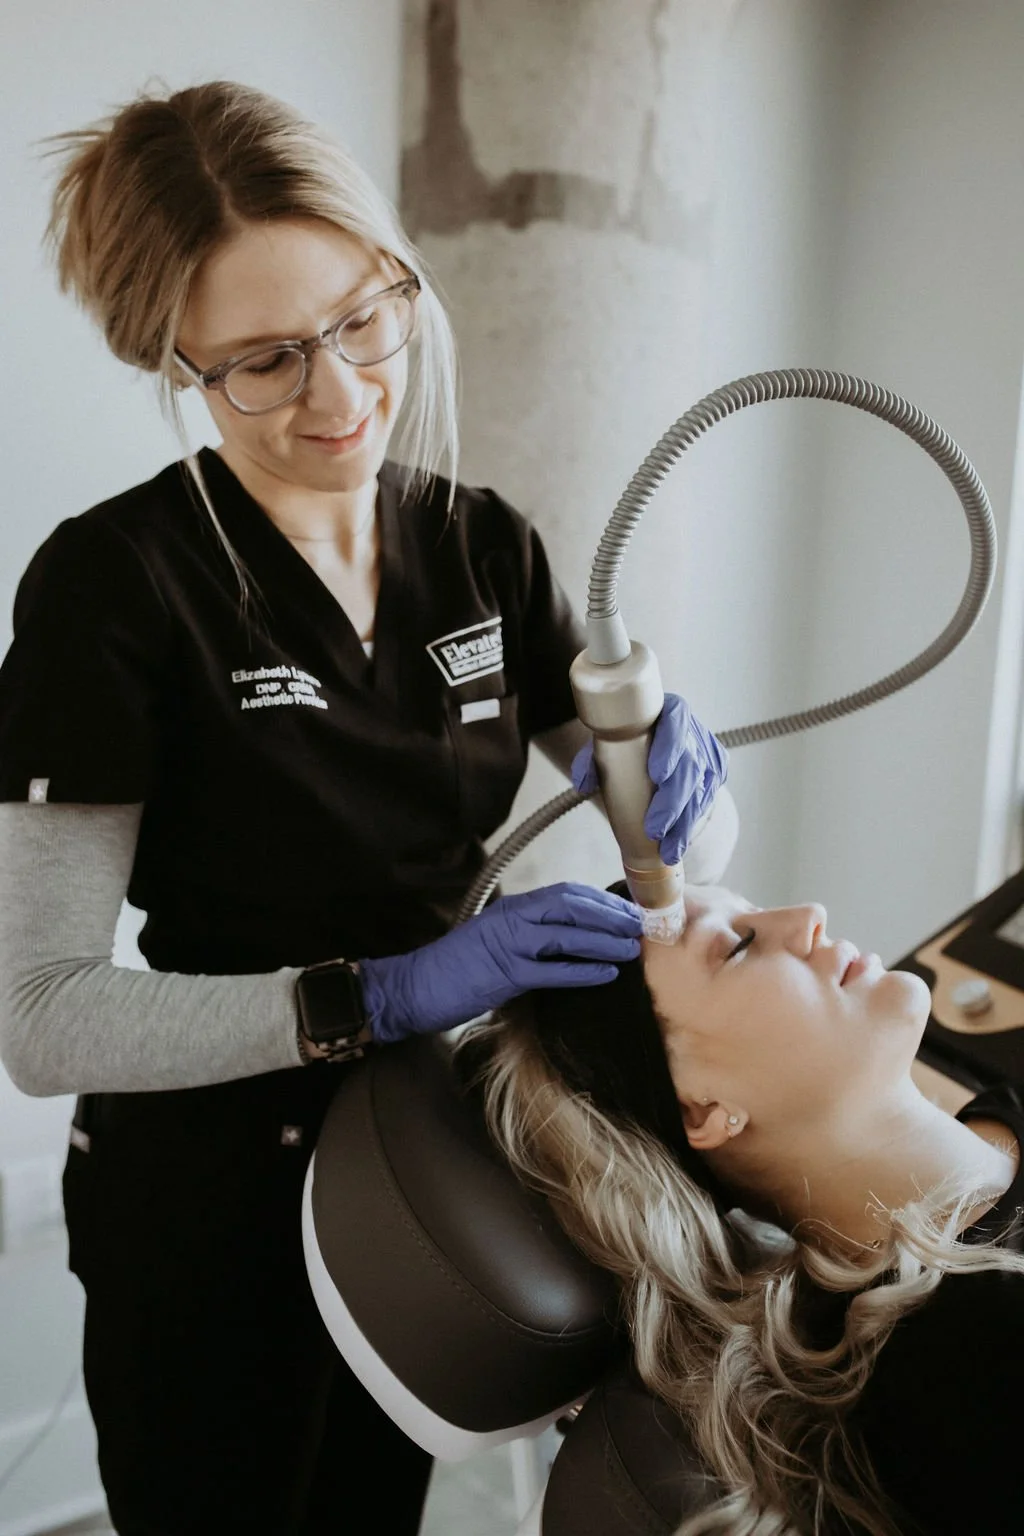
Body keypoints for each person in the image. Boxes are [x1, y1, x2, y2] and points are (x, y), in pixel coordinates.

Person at [0, 81, 735, 1536]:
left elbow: (680, 860)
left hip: (420, 1172)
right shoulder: (113, 588)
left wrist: (673, 775)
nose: (339, 396)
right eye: (267, 361)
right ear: (175, 360)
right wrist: (379, 992)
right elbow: (42, 1018)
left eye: (361, 321)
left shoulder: (481, 548)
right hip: (206, 1202)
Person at [475, 884, 1024, 1535]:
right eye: (738, 946)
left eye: (753, 909)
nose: (809, 916)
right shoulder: (969, 1357)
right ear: (702, 1109)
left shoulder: (1003, 1109)